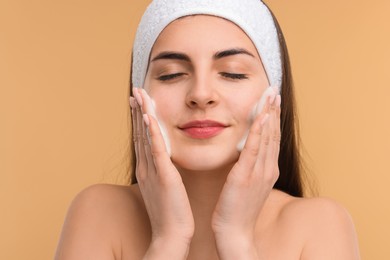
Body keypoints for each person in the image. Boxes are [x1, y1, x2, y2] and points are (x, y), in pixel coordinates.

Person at [55, 0, 360, 259]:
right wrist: (168, 240)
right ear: (138, 95)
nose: (201, 94)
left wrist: (237, 240)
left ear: (274, 98)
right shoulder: (99, 213)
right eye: (171, 74)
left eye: (232, 73)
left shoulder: (320, 224)